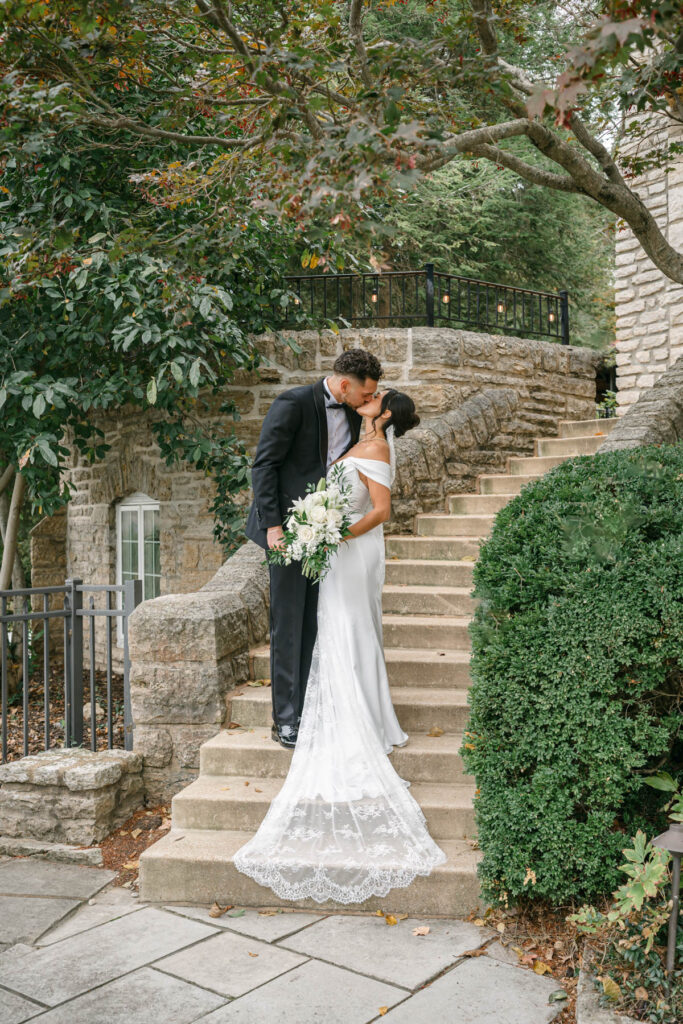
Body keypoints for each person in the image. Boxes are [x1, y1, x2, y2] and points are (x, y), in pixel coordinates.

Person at [234, 388, 448, 904]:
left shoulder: (376, 447)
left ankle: (364, 717)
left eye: (376, 398)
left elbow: (380, 511)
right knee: (334, 627)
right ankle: (353, 709)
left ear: (387, 411)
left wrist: (333, 533)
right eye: (366, 393)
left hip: (353, 550)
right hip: (336, 549)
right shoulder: (358, 435)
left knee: (349, 625)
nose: (366, 401)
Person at [244, 348, 384, 749]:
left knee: (314, 622)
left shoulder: (359, 417)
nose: (367, 401)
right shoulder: (293, 403)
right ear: (344, 385)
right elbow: (264, 465)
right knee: (288, 624)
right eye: (364, 394)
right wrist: (273, 527)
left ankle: (311, 707)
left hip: (328, 532)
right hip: (287, 533)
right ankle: (285, 720)